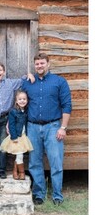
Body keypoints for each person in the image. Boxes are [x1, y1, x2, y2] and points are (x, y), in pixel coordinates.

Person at [22, 53, 71, 206]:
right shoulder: (28, 83)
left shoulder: (59, 81)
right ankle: (39, 194)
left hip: (53, 127)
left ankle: (57, 195)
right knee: (34, 162)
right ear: (34, 65)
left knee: (56, 162)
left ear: (48, 64)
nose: (39, 66)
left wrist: (63, 127)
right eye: (37, 64)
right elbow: (20, 102)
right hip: (32, 127)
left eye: (42, 63)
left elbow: (67, 105)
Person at [0, 62, 34, 179]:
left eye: (0, 70)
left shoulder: (9, 83)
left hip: (5, 118)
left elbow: (21, 81)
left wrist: (28, 75)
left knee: (3, 146)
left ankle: (1, 170)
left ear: (4, 72)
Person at [0, 90, 34, 180]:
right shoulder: (13, 111)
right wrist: (14, 137)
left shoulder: (26, 111)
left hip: (23, 136)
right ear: (16, 101)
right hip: (16, 136)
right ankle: (22, 172)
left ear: (27, 100)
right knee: (19, 154)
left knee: (19, 154)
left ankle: (15, 171)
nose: (22, 101)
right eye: (20, 99)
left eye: (24, 99)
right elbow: (11, 125)